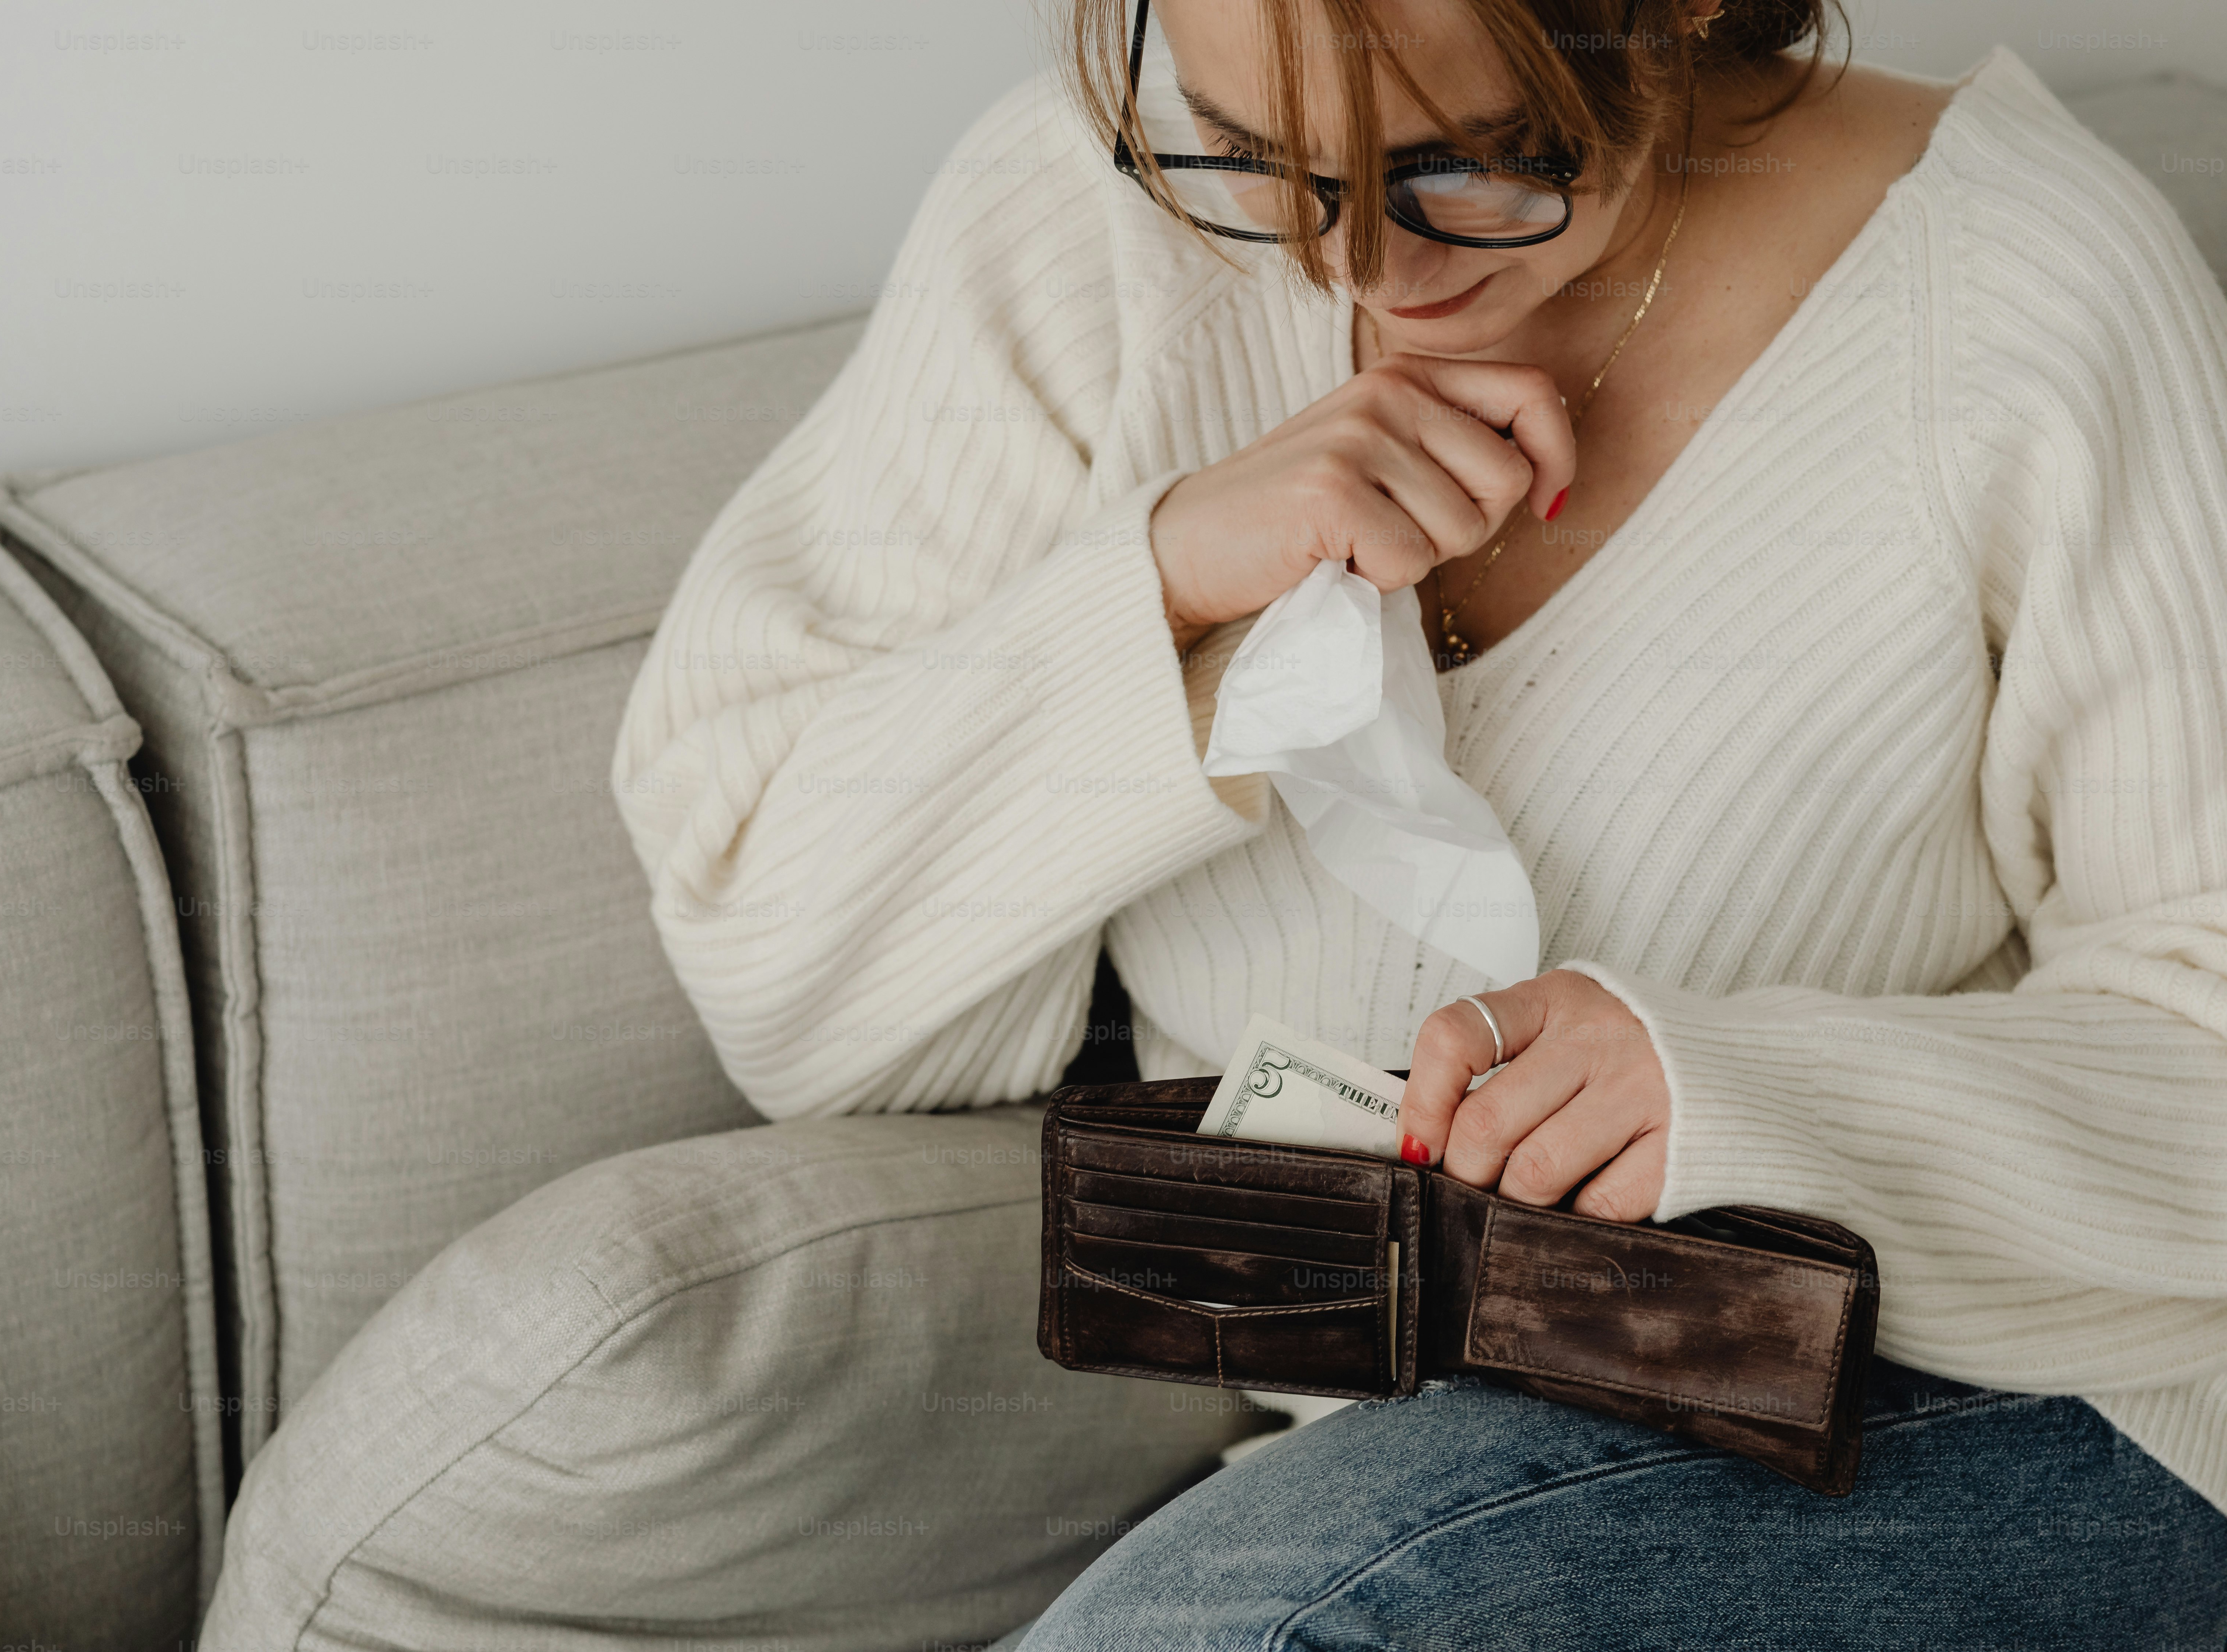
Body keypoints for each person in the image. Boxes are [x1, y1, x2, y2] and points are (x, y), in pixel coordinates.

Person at [612, 0, 2227, 1639]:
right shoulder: (1092, 216)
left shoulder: (2034, 287)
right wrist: (1165, 585)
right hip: (1382, 1432)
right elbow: (779, 976)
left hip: (2015, 1383)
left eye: (1474, 160)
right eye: (1262, 161)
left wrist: (1734, 1091)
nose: (1365, 270)